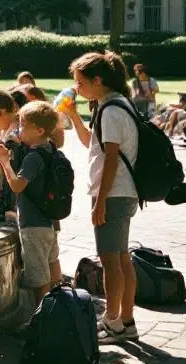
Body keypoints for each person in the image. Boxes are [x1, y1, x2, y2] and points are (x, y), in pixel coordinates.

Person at [59, 51, 140, 344]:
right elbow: (90, 142)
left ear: (98, 80)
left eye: (80, 83)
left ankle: (113, 321)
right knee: (121, 258)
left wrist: (101, 199)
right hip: (123, 191)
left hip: (113, 193)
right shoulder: (113, 105)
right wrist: (72, 117)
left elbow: (111, 160)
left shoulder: (112, 110)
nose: (77, 89)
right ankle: (125, 320)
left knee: (111, 261)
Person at [0, 102, 63, 307]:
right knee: (51, 266)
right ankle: (56, 310)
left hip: (33, 226)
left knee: (38, 278)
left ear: (39, 130)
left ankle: (40, 321)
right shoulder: (49, 148)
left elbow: (17, 186)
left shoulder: (34, 157)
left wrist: (4, 161)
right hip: (48, 220)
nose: (18, 130)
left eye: (23, 127)